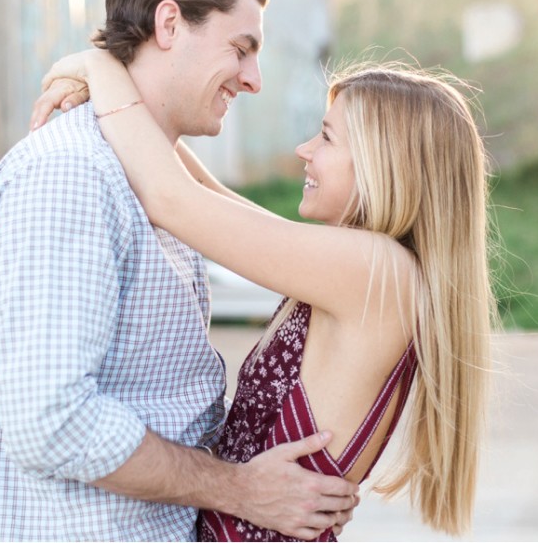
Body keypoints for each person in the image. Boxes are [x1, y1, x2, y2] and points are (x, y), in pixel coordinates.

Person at [0, 0, 358, 542]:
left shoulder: (149, 175)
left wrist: (100, 71)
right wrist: (238, 487)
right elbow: (52, 423)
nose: (253, 80)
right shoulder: (70, 176)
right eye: (241, 49)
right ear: (168, 22)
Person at [32, 48, 499, 540]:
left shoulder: (372, 270)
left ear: (384, 164)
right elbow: (204, 192)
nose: (304, 150)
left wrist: (99, 66)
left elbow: (173, 198)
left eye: (326, 136)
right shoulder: (362, 269)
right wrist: (126, 96)